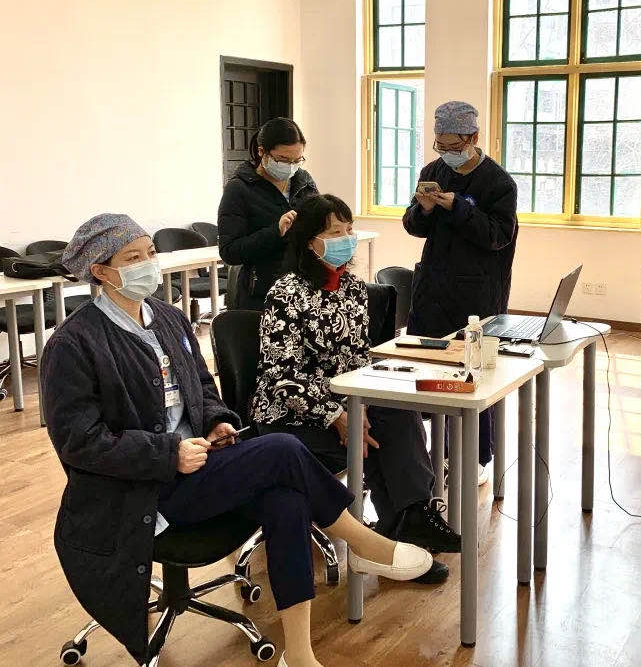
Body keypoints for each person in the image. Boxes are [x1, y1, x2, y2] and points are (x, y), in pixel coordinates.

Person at [43, 213, 432, 667]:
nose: (148, 264)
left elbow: (202, 388)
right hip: (141, 490)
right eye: (132, 258)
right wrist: (168, 453)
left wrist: (215, 421)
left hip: (199, 467)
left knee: (287, 500)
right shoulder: (74, 343)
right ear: (100, 271)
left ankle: (300, 655)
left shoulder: (168, 318)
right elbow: (79, 442)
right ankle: (363, 542)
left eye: (150, 253)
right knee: (282, 448)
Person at [253, 194, 460, 584]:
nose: (346, 239)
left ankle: (409, 521)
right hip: (290, 416)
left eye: (349, 230)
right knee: (385, 438)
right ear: (309, 241)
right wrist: (338, 416)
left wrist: (360, 409)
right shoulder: (286, 293)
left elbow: (356, 359)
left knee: (397, 410)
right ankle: (393, 538)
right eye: (335, 232)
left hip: (346, 402)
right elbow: (281, 377)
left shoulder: (351, 288)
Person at [402, 101, 519, 476]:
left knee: (473, 377)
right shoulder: (432, 172)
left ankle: (475, 459)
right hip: (433, 291)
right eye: (441, 145)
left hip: (478, 295)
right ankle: (428, 455)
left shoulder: (498, 183)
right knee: (428, 373)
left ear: (473, 138)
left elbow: (497, 236)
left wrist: (459, 208)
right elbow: (414, 226)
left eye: (454, 146)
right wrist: (424, 209)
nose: (447, 154)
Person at [218, 117, 318, 310]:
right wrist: (276, 231)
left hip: (303, 289)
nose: (291, 166)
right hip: (261, 295)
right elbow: (230, 251)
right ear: (261, 151)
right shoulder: (239, 188)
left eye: (297, 160)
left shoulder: (303, 181)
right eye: (283, 159)